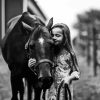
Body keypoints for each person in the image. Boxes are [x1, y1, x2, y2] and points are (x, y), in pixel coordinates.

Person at [28, 23, 80, 100]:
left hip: (63, 89)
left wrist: (69, 78)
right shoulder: (50, 53)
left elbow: (76, 72)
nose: (54, 37)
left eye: (57, 35)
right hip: (50, 89)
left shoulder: (69, 54)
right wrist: (32, 67)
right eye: (52, 35)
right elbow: (43, 70)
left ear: (65, 37)